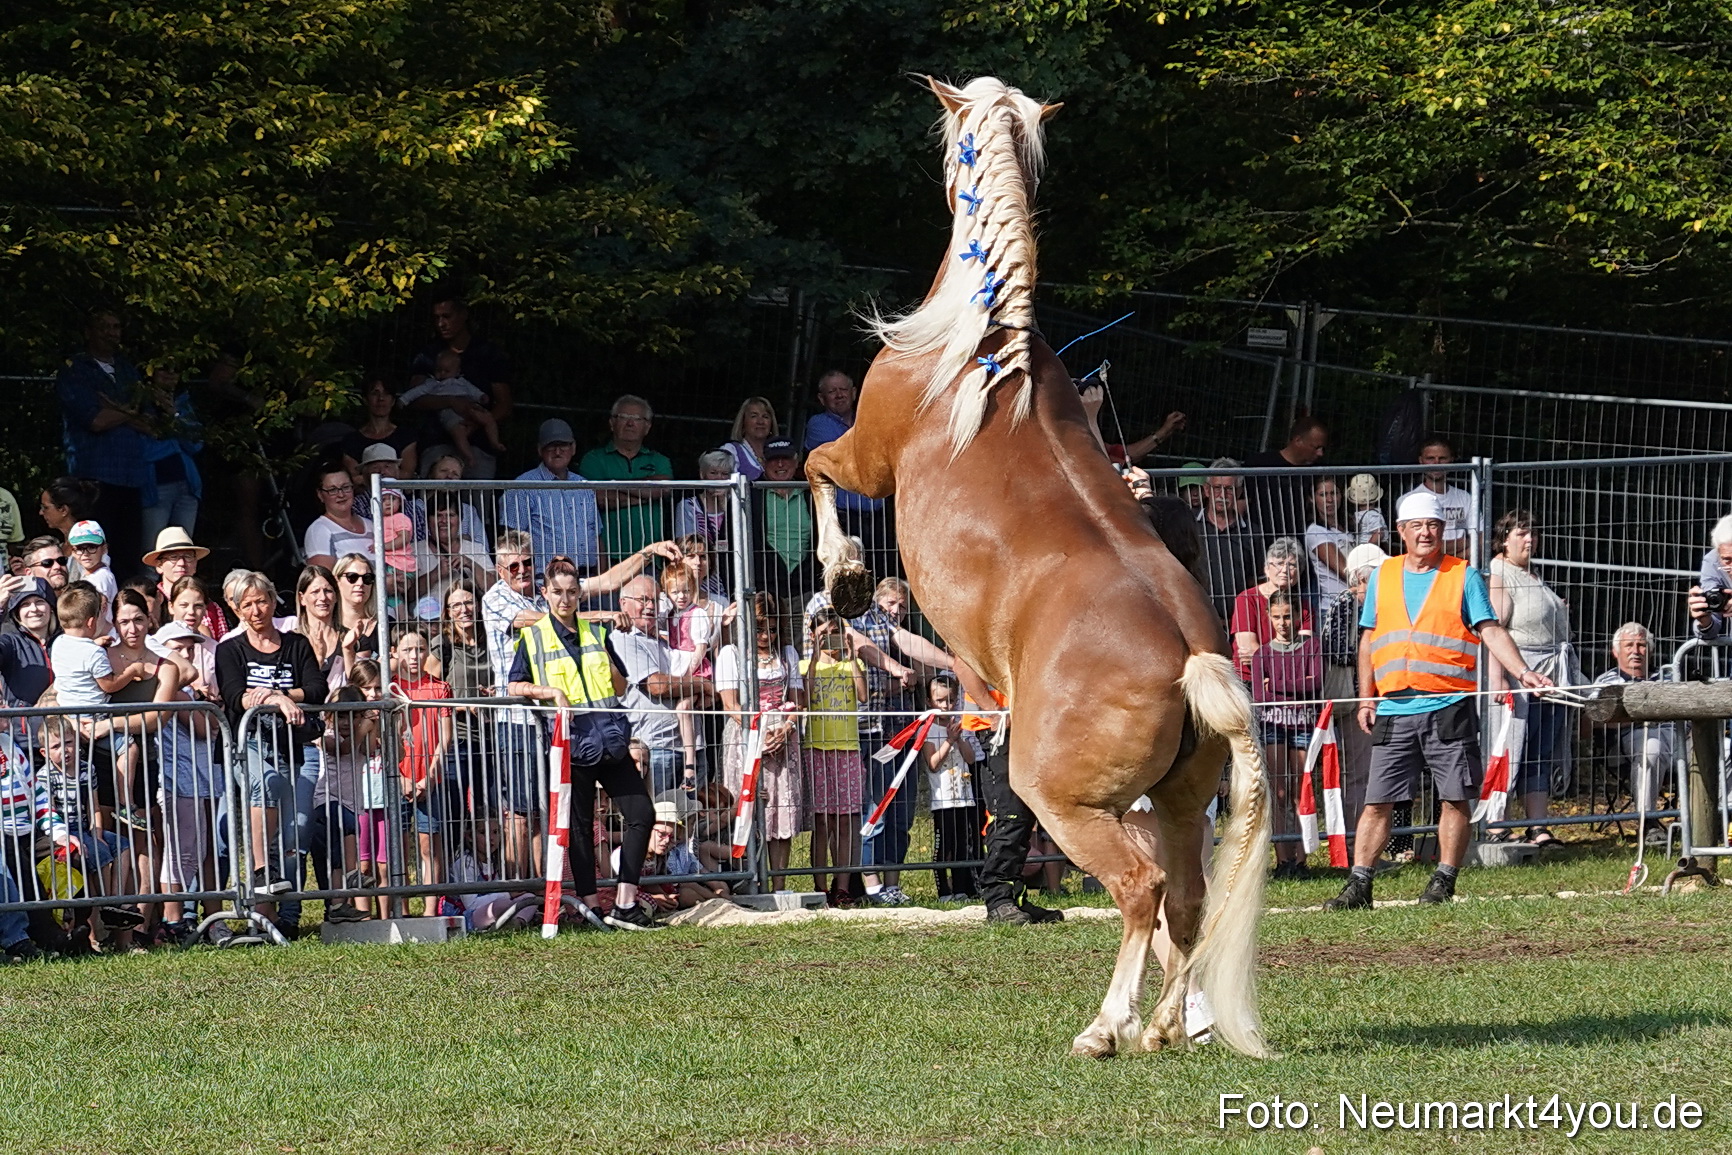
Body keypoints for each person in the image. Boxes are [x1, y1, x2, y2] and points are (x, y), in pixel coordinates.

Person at [1323, 490, 1553, 912]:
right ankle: (1359, 885)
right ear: (1401, 531)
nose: (1426, 533)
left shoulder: (1463, 575)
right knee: (1377, 802)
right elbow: (1368, 638)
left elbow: (1490, 629)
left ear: (1443, 530)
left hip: (1448, 705)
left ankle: (1444, 880)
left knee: (1455, 797)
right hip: (1394, 707)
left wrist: (1523, 672)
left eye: (1433, 525)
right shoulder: (1383, 576)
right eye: (1417, 526)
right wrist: (1366, 699)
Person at [506, 556, 657, 931]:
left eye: (572, 592)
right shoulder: (533, 637)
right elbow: (513, 685)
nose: (565, 599)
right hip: (572, 746)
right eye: (558, 592)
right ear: (544, 593)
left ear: (579, 594)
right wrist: (549, 692)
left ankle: (625, 903)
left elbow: (619, 687)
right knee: (580, 829)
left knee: (642, 814)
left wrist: (609, 656)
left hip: (612, 740)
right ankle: (590, 909)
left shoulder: (596, 634)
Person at [216, 570, 328, 916]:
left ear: (272, 601)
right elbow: (235, 695)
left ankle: (289, 914)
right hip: (248, 742)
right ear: (237, 609)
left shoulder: (297, 644)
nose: (256, 610)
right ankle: (261, 873)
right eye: (247, 604)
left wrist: (280, 693)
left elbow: (317, 689)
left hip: (293, 745)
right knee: (264, 785)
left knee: (296, 831)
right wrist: (275, 700)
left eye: (261, 601)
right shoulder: (229, 649)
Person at [850, 577, 951, 904]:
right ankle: (872, 883)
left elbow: (914, 653)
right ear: (876, 599)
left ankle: (893, 883)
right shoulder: (857, 620)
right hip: (872, 729)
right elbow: (863, 681)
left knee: (902, 810)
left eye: (903, 606)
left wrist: (951, 663)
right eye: (891, 603)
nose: (896, 610)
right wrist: (897, 678)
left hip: (905, 725)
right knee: (877, 805)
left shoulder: (893, 628)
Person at [1487, 510, 1577, 848]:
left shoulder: (1533, 575)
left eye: (1533, 533)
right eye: (1521, 533)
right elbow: (1493, 629)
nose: (1530, 539)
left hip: (1551, 675)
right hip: (1518, 675)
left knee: (1540, 749)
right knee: (1510, 747)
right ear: (1504, 540)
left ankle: (1537, 827)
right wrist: (1498, 678)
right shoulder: (1499, 573)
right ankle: (1496, 823)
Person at [952, 659, 1061, 925]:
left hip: (1020, 725)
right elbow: (963, 665)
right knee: (1009, 815)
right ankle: (998, 900)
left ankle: (1015, 897)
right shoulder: (981, 635)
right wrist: (993, 711)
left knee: (1022, 816)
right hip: (999, 728)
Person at [716, 591, 804, 880]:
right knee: (748, 806)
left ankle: (779, 884)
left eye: (772, 629)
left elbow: (798, 701)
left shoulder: (787, 655)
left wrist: (787, 727)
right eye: (759, 629)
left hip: (782, 736)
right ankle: (748, 880)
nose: (766, 636)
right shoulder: (731, 654)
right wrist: (758, 732)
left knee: (781, 809)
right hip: (746, 734)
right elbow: (730, 704)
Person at [55, 309, 148, 572]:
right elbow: (95, 421)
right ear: (88, 332)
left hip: (131, 476)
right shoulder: (75, 369)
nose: (111, 333)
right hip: (93, 477)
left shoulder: (129, 371)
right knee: (92, 554)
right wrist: (130, 412)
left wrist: (115, 409)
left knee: (128, 557)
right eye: (104, 326)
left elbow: (150, 424)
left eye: (116, 326)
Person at [613, 575, 715, 796]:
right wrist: (703, 685)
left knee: (692, 814)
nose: (650, 606)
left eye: (655, 600)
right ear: (623, 603)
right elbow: (657, 685)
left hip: (692, 748)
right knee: (661, 813)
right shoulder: (623, 639)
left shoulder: (664, 640)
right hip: (656, 749)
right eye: (643, 599)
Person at [1251, 590, 1322, 878]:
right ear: (1269, 617)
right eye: (1277, 617)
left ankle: (1302, 859)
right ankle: (1282, 859)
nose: (1283, 623)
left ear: (1298, 616)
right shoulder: (1262, 654)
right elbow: (1260, 695)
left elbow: (1315, 685)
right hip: (1273, 727)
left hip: (1303, 725)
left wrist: (1276, 684)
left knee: (1301, 792)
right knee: (1278, 792)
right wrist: (1296, 686)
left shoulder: (1312, 647)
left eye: (1288, 616)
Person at [799, 607, 867, 904]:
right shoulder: (806, 665)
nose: (830, 638)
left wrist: (851, 658)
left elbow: (863, 696)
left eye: (834, 632)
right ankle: (820, 885)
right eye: (823, 634)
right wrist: (816, 656)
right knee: (822, 821)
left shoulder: (853, 664)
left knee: (846, 820)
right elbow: (806, 696)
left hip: (848, 747)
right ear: (812, 636)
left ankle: (843, 885)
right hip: (817, 747)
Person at [407, 296, 514, 479]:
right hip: (436, 442)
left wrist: (476, 424)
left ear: (463, 315)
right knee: (434, 497)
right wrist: (450, 402)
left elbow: (504, 404)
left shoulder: (488, 354)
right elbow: (415, 398)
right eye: (436, 318)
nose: (441, 324)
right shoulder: (428, 354)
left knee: (476, 497)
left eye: (447, 316)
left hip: (479, 446)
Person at [1591, 622, 1677, 843]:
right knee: (1652, 747)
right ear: (1615, 652)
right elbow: (1592, 721)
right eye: (1629, 645)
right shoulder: (1607, 682)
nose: (1636, 651)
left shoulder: (1668, 677)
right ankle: (1648, 823)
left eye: (1642, 645)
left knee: (1725, 747)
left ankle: (1722, 818)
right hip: (1633, 736)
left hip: (1678, 737)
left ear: (1650, 650)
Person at [1320, 543, 1387, 823]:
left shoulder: (1382, 604)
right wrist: (1373, 655)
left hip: (1378, 695)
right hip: (1355, 698)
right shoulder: (1346, 603)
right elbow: (1332, 649)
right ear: (1361, 577)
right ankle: (1353, 836)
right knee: (1359, 772)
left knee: (1374, 771)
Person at [392, 630, 453, 907]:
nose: (415, 656)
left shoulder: (440, 688)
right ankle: (402, 910)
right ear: (395, 653)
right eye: (407, 650)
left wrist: (429, 776)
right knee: (399, 848)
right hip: (399, 776)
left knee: (429, 845)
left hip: (431, 777)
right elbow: (382, 739)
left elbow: (445, 737)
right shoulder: (391, 688)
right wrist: (401, 777)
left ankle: (431, 910)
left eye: (420, 649)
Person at [579, 394, 674, 562]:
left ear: (647, 427)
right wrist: (646, 495)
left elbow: (663, 488)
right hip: (607, 557)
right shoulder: (593, 459)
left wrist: (613, 484)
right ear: (611, 423)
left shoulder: (660, 460)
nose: (630, 423)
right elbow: (599, 499)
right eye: (624, 417)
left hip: (651, 557)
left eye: (637, 418)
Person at [502, 419, 602, 574]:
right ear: (540, 450)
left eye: (563, 445)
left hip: (587, 576)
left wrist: (604, 578)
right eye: (551, 446)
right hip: (544, 578)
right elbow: (512, 541)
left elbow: (596, 535)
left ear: (573, 448)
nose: (558, 452)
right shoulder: (523, 486)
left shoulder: (583, 485)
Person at [803, 370, 887, 544]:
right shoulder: (818, 424)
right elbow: (845, 455)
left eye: (843, 389)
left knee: (882, 561)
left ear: (854, 393)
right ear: (821, 399)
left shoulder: (868, 420)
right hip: (842, 518)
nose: (839, 395)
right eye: (832, 391)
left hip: (877, 517)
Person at [924, 674, 983, 902]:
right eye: (940, 700)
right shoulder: (928, 730)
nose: (945, 706)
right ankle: (943, 892)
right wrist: (948, 741)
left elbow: (970, 758)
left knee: (962, 845)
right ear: (929, 702)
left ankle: (960, 889)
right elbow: (933, 764)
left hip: (964, 796)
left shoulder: (961, 727)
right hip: (943, 799)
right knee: (944, 846)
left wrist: (958, 739)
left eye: (950, 700)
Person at [136, 361, 205, 551]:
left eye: (176, 369)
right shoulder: (137, 403)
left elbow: (196, 443)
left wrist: (173, 414)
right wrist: (174, 443)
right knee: (152, 553)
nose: (171, 374)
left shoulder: (183, 402)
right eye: (164, 368)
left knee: (184, 551)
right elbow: (143, 449)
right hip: (155, 488)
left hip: (187, 488)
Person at [398, 349, 503, 467]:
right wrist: (404, 399)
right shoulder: (432, 383)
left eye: (447, 371)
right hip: (448, 411)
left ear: (457, 371)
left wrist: (481, 396)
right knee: (458, 432)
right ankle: (468, 455)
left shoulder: (462, 382)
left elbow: (473, 390)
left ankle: (494, 441)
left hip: (469, 406)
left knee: (487, 418)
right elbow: (416, 392)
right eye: (439, 370)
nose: (442, 374)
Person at [1230, 537, 1314, 675]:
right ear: (1266, 569)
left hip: (1289, 679)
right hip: (1251, 677)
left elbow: (1305, 652)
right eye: (1279, 563)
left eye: (1292, 565)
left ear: (1299, 573)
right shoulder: (1246, 599)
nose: (1284, 570)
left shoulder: (1304, 607)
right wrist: (1288, 661)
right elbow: (1247, 649)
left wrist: (1264, 658)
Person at [1197, 459, 1265, 622]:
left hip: (1239, 622)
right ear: (1206, 490)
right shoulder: (1190, 526)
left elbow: (1257, 581)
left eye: (1229, 489)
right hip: (1199, 620)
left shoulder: (1252, 532)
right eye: (1217, 488)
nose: (1222, 495)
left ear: (1239, 492)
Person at [752, 438, 816, 604]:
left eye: (785, 458)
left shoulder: (812, 494)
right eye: (774, 459)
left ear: (796, 462)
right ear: (763, 463)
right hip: (764, 593)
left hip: (807, 590)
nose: (780, 464)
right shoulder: (750, 495)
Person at [1245, 415, 1328, 535]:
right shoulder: (1259, 463)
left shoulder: (1318, 472)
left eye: (1323, 448)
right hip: (1261, 537)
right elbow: (1242, 502)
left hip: (1303, 539)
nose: (1320, 453)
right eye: (1316, 447)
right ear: (1298, 441)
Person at [1399, 438, 1477, 558]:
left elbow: (1480, 542)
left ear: (1451, 460)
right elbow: (1416, 546)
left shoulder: (1465, 497)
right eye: (1430, 458)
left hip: (1460, 566)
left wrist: (1448, 559)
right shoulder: (1409, 500)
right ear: (1421, 461)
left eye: (1442, 458)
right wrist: (1465, 542)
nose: (1437, 463)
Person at [145, 528, 227, 639]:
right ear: (159, 566)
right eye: (173, 557)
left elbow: (223, 646)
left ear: (195, 564)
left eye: (187, 557)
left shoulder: (212, 608)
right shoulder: (150, 604)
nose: (181, 563)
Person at [341, 379, 420, 481]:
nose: (381, 398)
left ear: (393, 401)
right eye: (375, 393)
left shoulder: (406, 436)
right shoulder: (351, 440)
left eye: (386, 394)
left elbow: (407, 474)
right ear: (365, 399)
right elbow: (353, 478)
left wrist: (370, 478)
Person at [0, 577, 57, 706]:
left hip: (65, 719)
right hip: (23, 719)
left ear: (51, 608)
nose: (34, 609)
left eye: (39, 602)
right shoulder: (11, 643)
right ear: (17, 613)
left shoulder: (65, 641)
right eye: (25, 604)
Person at [303, 466, 373, 569]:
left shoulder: (371, 525)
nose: (341, 494)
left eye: (346, 487)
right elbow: (322, 576)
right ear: (320, 495)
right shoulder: (319, 530)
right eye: (332, 490)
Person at [420, 450, 489, 548]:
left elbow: (483, 548)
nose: (449, 476)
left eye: (455, 474)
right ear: (431, 475)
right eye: (444, 471)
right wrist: (459, 541)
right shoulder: (416, 507)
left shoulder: (469, 511)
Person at [673, 450, 734, 552]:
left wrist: (725, 505)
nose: (719, 478)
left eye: (724, 474)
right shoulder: (688, 505)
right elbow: (685, 543)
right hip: (701, 559)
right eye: (713, 473)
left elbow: (742, 536)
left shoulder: (736, 504)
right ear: (702, 474)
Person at [1304, 476, 1353, 600]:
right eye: (1323, 495)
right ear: (1312, 498)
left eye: (1334, 493)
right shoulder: (1316, 531)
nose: (1330, 499)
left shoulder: (1350, 526)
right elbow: (1345, 571)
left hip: (1360, 600)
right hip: (1336, 604)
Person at [66, 521, 118, 631]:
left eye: (91, 547)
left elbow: (98, 616)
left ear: (104, 548)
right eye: (79, 548)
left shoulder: (101, 577)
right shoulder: (91, 575)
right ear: (72, 552)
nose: (85, 553)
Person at [1687, 513, 1732, 640]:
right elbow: (1709, 632)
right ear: (1718, 553)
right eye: (1727, 560)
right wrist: (1704, 620)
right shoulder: (1712, 562)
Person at [332, 554, 380, 667]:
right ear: (337, 581)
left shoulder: (385, 626)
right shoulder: (327, 626)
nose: (360, 583)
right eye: (352, 577)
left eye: (367, 578)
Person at [723, 396, 778, 482]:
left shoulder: (779, 452)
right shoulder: (731, 451)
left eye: (765, 417)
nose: (760, 422)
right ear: (743, 422)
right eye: (754, 416)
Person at [38, 477, 100, 545]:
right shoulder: (61, 545)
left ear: (64, 510)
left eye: (45, 507)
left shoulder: (87, 545)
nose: (41, 512)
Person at [1346, 473, 1387, 548]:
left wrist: (1367, 548)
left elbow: (1379, 533)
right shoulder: (1366, 514)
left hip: (1370, 549)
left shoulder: (1372, 515)